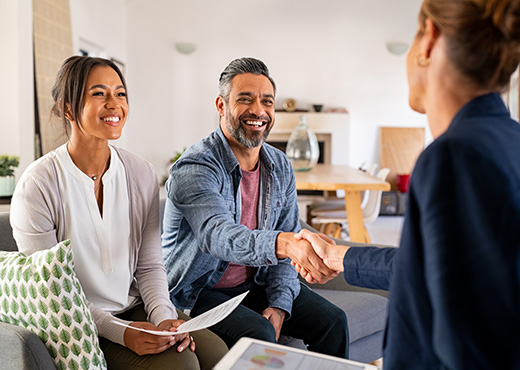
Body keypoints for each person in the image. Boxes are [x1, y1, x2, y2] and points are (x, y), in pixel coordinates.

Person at [294, 0, 520, 368]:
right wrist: (339, 256)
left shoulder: (455, 157)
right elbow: (436, 269)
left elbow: (469, 344)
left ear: (428, 40)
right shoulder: (509, 140)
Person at [10, 55, 227, 370]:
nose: (114, 104)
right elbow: (52, 292)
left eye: (120, 93)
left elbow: (150, 265)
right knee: (181, 366)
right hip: (77, 324)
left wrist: (165, 318)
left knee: (217, 353)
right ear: (68, 108)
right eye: (99, 94)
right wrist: (122, 333)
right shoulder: (39, 184)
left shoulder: (140, 172)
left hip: (133, 307)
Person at [161, 57, 349, 358]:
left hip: (253, 282)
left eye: (267, 102)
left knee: (333, 322)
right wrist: (284, 243)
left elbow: (287, 244)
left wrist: (279, 304)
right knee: (258, 334)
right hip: (198, 292)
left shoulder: (279, 165)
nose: (258, 111)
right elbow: (217, 235)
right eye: (245, 100)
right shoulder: (195, 167)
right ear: (221, 106)